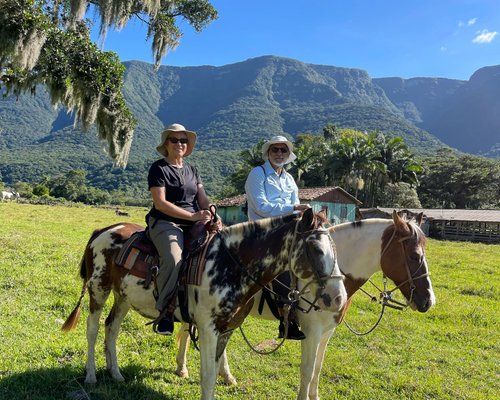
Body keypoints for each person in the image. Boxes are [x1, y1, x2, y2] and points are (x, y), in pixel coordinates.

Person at [146, 123, 212, 335]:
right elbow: (160, 203)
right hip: (166, 222)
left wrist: (212, 211)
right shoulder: (159, 169)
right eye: (174, 140)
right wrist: (192, 215)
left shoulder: (193, 170)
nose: (179, 144)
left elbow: (202, 198)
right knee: (174, 259)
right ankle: (165, 312)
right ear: (166, 144)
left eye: (183, 140)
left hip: (194, 222)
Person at [244, 135, 310, 340]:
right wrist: (293, 208)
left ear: (288, 155)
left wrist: (300, 213)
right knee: (282, 261)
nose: (279, 154)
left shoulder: (289, 179)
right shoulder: (258, 174)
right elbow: (261, 207)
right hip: (263, 230)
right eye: (275, 150)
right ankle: (287, 318)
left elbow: (296, 206)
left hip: (289, 228)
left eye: (283, 150)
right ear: (268, 153)